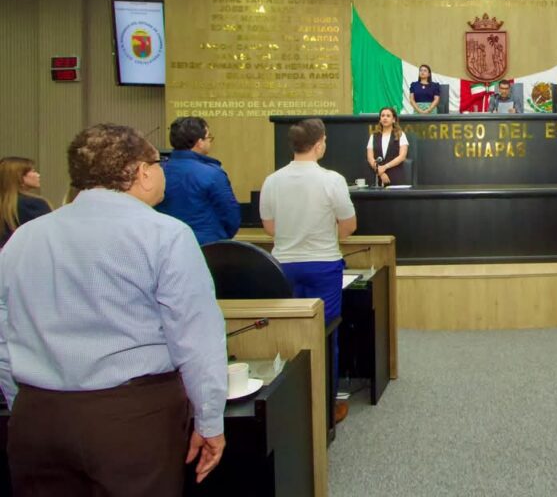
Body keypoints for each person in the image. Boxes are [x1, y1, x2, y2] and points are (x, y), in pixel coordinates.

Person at [0, 124, 227, 494]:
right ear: (142, 172)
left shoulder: (25, 237)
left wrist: (23, 401)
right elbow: (197, 338)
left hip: (36, 418)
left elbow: (4, 332)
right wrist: (210, 420)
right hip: (132, 418)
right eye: (159, 163)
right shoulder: (164, 235)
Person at [260, 118, 357, 422]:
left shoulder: (272, 180)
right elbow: (349, 226)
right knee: (325, 333)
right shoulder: (332, 180)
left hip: (282, 267)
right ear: (318, 145)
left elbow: (269, 228)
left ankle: (290, 407)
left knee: (287, 334)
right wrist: (324, 236)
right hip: (323, 266)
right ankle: (325, 406)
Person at [155, 116, 241, 245]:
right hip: (207, 245)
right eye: (209, 137)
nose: (210, 141)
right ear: (200, 142)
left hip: (166, 242)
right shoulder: (213, 174)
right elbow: (231, 215)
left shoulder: (158, 170)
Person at [0, 156, 52, 248]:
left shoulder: (5, 206)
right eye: (33, 171)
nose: (38, 175)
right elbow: (49, 235)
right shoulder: (34, 205)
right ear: (19, 176)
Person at [366, 106, 409, 186]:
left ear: (393, 119)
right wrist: (380, 172)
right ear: (380, 119)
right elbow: (370, 158)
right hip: (377, 178)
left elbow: (402, 156)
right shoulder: (373, 136)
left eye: (388, 116)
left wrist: (385, 167)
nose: (385, 118)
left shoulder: (400, 135)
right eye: (382, 116)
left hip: (396, 176)